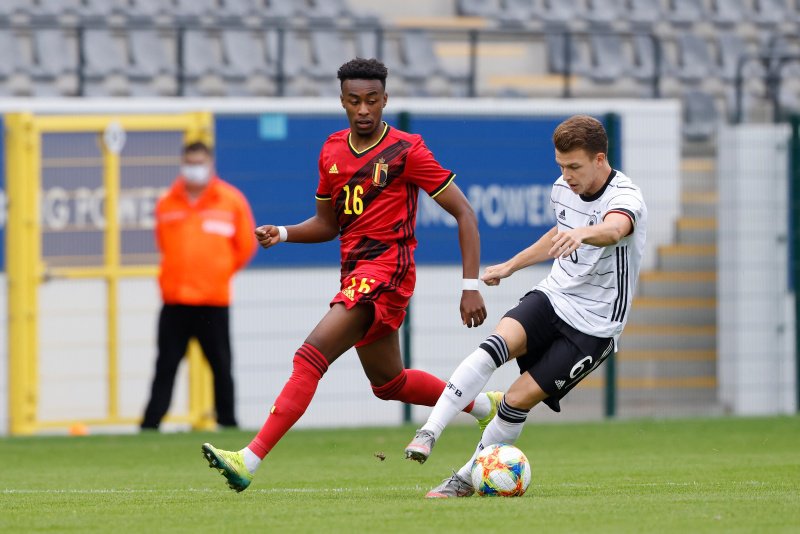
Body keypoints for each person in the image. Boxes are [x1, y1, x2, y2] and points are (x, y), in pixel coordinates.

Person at [201, 57, 501, 492]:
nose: (364, 110)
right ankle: (480, 407)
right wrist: (283, 232)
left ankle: (249, 458)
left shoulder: (407, 150)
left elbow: (465, 213)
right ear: (342, 100)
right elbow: (329, 224)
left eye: (372, 101)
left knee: (310, 357)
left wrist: (469, 286)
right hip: (356, 273)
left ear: (385, 100)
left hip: (389, 271)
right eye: (354, 101)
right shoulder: (331, 151)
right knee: (389, 383)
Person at [404, 115, 648, 498]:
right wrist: (511, 266)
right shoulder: (561, 189)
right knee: (492, 348)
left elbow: (614, 229)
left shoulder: (626, 197)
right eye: (561, 166)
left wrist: (583, 233)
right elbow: (558, 231)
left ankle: (465, 479)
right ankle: (428, 432)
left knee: (516, 401)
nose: (566, 176)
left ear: (600, 160)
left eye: (574, 167)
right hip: (554, 296)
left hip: (594, 327)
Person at [141, 141, 257, 431]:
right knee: (165, 366)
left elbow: (245, 246)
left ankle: (228, 423)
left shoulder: (230, 201)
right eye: (189, 162)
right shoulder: (167, 201)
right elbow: (164, 244)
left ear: (210, 163)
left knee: (220, 367)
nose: (194, 168)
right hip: (176, 300)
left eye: (199, 162)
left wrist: (218, 272)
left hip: (212, 301)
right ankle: (150, 425)